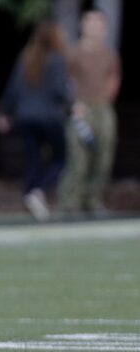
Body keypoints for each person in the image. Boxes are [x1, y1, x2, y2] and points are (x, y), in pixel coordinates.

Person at [0, 20, 70, 220]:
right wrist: (72, 104)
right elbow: (59, 90)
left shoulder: (26, 57)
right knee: (61, 158)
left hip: (26, 117)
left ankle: (29, 198)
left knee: (33, 159)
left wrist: (4, 112)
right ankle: (39, 190)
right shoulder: (57, 59)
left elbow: (14, 88)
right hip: (49, 117)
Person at [57, 11, 121, 215]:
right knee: (78, 157)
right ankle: (70, 201)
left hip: (103, 108)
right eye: (90, 24)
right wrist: (73, 104)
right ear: (82, 26)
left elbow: (114, 77)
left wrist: (106, 98)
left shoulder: (109, 54)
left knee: (103, 156)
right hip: (81, 108)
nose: (95, 28)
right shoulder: (73, 53)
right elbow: (64, 82)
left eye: (98, 25)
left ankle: (93, 200)